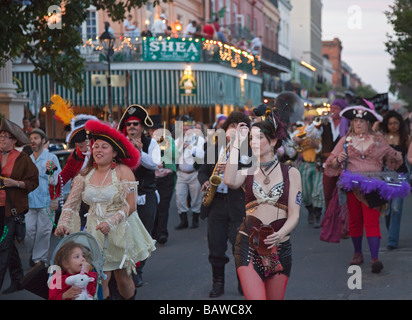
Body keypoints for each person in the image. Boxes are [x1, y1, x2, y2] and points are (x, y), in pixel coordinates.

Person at [55, 119, 156, 300]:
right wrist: (63, 223)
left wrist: (111, 221)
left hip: (121, 230)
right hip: (96, 232)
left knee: (124, 280)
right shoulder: (84, 176)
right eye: (96, 147)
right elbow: (71, 204)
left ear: (115, 152)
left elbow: (130, 205)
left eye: (104, 147)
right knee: (101, 279)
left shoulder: (124, 171)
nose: (98, 150)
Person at [224, 112, 301, 300]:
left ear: (274, 141)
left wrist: (281, 234)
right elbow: (229, 180)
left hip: (280, 247)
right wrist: (236, 144)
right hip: (247, 244)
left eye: (259, 137)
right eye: (251, 138)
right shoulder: (248, 169)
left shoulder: (291, 173)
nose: (254, 142)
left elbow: (294, 215)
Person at [325, 102, 403, 273]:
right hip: (352, 187)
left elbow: (393, 158)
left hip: (373, 187)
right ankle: (358, 253)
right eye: (355, 121)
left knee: (372, 221)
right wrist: (338, 159)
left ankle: (375, 258)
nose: (358, 123)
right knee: (355, 221)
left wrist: (396, 154)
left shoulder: (378, 140)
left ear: (368, 123)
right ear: (352, 123)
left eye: (362, 121)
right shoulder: (345, 140)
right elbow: (329, 163)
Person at [198, 111, 251, 298]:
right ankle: (217, 282)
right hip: (217, 204)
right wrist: (204, 181)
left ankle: (242, 282)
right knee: (216, 245)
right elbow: (203, 171)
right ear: (225, 129)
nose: (235, 130)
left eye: (240, 127)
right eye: (232, 126)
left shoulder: (249, 150)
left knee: (240, 245)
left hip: (238, 203)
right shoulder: (214, 147)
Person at [117, 104, 160, 287]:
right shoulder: (118, 143)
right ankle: (126, 269)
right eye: (129, 124)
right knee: (125, 235)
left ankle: (138, 271)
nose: (132, 127)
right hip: (123, 196)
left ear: (142, 127)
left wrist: (140, 152)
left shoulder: (152, 143)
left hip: (146, 194)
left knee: (144, 236)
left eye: (135, 124)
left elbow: (154, 164)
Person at [0, 119, 39, 294]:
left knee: (3, 246)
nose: (2, 140)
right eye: (0, 136)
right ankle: (17, 280)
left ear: (14, 140)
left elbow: (33, 182)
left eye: (6, 137)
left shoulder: (23, 159)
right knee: (8, 247)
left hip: (11, 209)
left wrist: (15, 183)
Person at [47, 115, 98, 229]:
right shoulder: (73, 158)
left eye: (84, 140)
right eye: (77, 140)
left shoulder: (101, 155)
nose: (81, 144)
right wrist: (52, 172)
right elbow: (60, 180)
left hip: (99, 206)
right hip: (80, 206)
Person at [26, 128, 61, 267]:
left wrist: (51, 170)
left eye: (36, 138)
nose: (33, 141)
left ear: (43, 140)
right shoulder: (28, 159)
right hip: (30, 202)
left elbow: (55, 181)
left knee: (43, 232)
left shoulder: (51, 158)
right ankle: (34, 253)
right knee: (29, 232)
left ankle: (38, 261)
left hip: (47, 202)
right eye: (31, 138)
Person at [379, 110, 411, 250]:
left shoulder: (406, 138)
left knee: (396, 208)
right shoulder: (382, 137)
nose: (393, 125)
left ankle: (392, 240)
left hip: (401, 175)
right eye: (390, 123)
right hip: (385, 176)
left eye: (396, 123)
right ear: (387, 124)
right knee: (387, 210)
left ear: (400, 123)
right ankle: (391, 231)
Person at [292, 109, 324, 227]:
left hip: (317, 164)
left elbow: (322, 148)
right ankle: (310, 209)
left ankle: (317, 215)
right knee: (305, 193)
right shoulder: (299, 131)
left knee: (317, 191)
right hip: (304, 164)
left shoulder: (321, 131)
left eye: (313, 119)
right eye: (308, 119)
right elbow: (291, 147)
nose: (310, 122)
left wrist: (315, 145)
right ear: (304, 120)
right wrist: (297, 141)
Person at [148, 115, 176, 245]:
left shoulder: (168, 140)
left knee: (163, 207)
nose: (154, 132)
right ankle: (153, 233)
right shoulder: (146, 141)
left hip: (166, 178)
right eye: (152, 130)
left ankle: (162, 233)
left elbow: (175, 155)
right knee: (154, 207)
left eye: (157, 129)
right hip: (152, 178)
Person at [174, 116, 205, 230]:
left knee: (196, 197)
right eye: (183, 129)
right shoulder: (177, 141)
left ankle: (195, 220)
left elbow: (202, 156)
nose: (185, 131)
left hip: (194, 173)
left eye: (187, 129)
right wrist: (181, 148)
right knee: (179, 196)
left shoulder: (199, 140)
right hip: (181, 174)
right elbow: (173, 156)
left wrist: (191, 149)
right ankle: (184, 221)